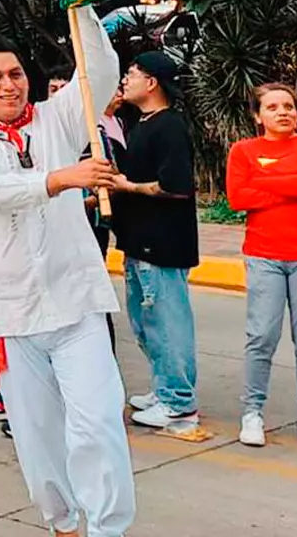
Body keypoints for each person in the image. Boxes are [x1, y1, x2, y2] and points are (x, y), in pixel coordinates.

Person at [0, 14, 133, 537]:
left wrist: (84, 5)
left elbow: (99, 70)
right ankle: (64, 523)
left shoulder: (58, 118)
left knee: (97, 422)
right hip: (11, 313)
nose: (9, 84)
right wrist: (60, 177)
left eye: (16, 73)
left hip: (77, 301)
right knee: (37, 437)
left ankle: (107, 528)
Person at [225, 82, 297, 449]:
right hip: (264, 255)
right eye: (272, 107)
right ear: (258, 116)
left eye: (288, 105)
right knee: (261, 337)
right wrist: (294, 180)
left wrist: (265, 181)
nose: (283, 112)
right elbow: (238, 197)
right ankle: (252, 413)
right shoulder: (243, 151)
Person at [110, 51, 201, 429]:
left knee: (166, 322)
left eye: (131, 73)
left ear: (152, 83)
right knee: (146, 322)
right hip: (138, 240)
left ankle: (178, 400)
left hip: (161, 242)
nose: (125, 80)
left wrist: (127, 186)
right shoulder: (142, 123)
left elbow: (175, 187)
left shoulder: (170, 127)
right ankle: (163, 386)